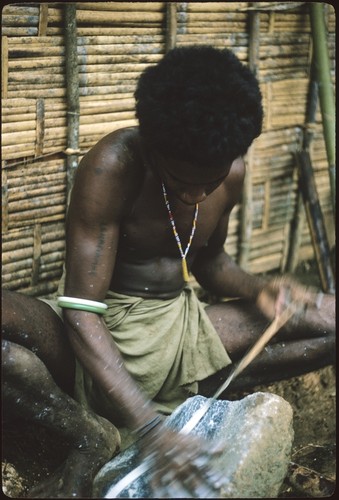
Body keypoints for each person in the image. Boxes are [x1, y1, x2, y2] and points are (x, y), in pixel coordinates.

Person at [2, 45, 335, 498]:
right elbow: (82, 313)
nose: (198, 196)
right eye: (181, 181)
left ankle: (196, 395)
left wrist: (260, 289)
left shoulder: (230, 169)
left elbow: (210, 263)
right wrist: (150, 429)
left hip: (181, 334)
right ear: (153, 147)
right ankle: (91, 434)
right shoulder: (113, 165)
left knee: (331, 319)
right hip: (94, 337)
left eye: (210, 181)